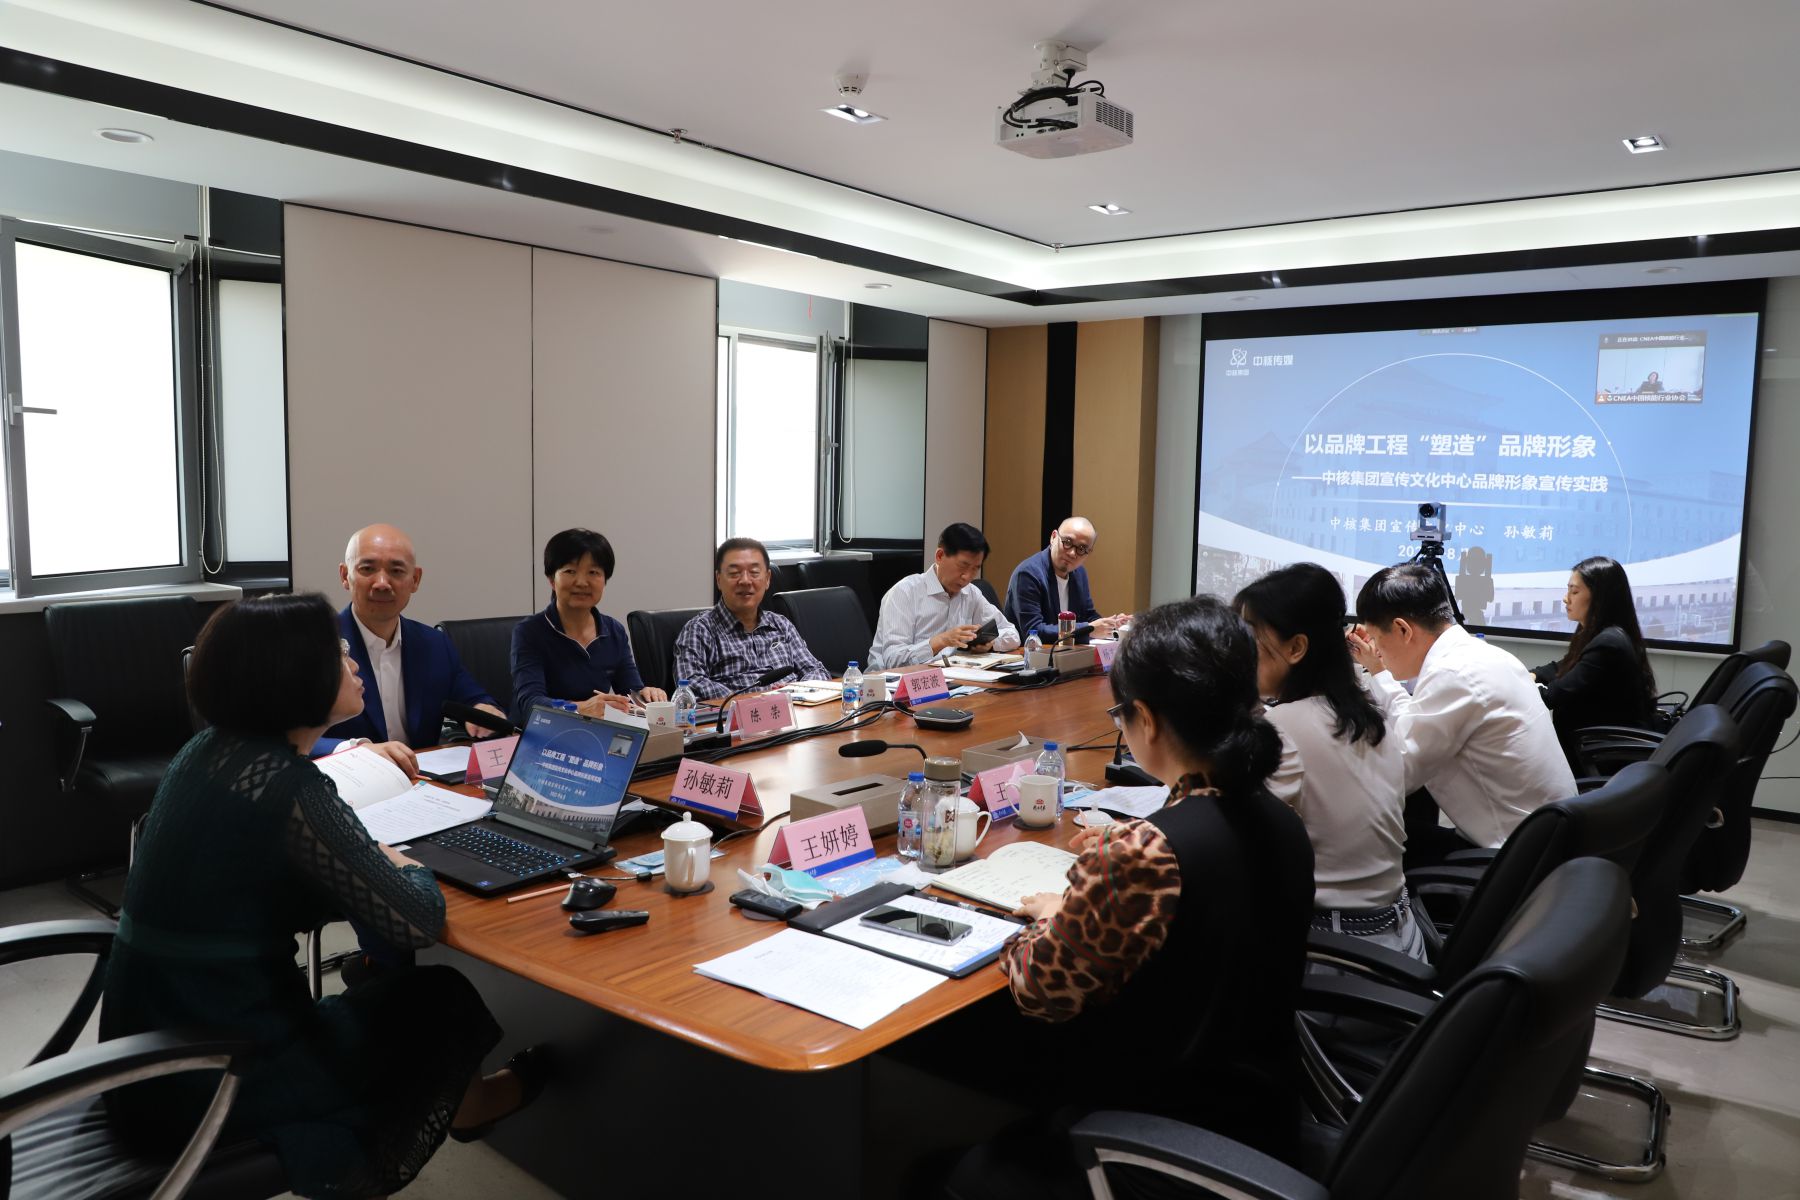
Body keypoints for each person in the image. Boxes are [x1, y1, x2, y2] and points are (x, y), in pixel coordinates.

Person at [101, 594, 547, 1199]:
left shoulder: (204, 753)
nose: (352, 660)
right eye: (337, 652)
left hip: (148, 1049)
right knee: (440, 996)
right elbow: (415, 921)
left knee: (394, 996)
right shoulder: (291, 787)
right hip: (218, 1073)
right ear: (295, 675)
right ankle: (474, 1106)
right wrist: (401, 860)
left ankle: (468, 1106)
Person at [951, 597, 1313, 1198]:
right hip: (1260, 1110)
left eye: (1120, 713)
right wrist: (1100, 882)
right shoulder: (1280, 818)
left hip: (1156, 1132)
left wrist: (1058, 915)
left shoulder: (1146, 853)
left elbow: (1040, 989)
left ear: (1145, 718)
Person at [1236, 564, 1421, 959]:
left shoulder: (1284, 727)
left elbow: (1233, 836)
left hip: (1336, 953)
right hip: (1400, 939)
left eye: (1251, 639)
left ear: (1296, 648)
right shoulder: (1367, 709)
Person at [1348, 564, 1576, 867]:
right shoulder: (1479, 654)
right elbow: (1416, 721)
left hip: (1513, 858)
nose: (1376, 649)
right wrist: (1378, 670)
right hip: (1546, 838)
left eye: (1377, 639)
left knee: (1362, 835)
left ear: (1403, 630)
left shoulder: (1453, 673)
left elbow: (1398, 773)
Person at [316, 524, 508, 768]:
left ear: (415, 580)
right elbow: (284, 738)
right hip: (349, 780)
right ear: (345, 576)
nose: (382, 583)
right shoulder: (315, 645)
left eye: (396, 571)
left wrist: (485, 711)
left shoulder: (434, 644)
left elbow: (474, 698)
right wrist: (357, 750)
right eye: (367, 569)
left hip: (422, 781)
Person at [511, 527, 667, 722]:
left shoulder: (613, 631)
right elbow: (530, 704)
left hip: (592, 732)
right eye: (570, 571)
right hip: (539, 733)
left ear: (605, 581)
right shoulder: (530, 632)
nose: (582, 582)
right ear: (551, 580)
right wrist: (580, 708)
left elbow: (630, 692)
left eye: (593, 572)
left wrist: (644, 694)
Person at [1532, 556, 1658, 765]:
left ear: (1600, 597)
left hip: (1601, 759)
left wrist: (1516, 684)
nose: (1566, 599)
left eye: (1574, 592)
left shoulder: (1609, 644)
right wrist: (1532, 675)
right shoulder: (1601, 634)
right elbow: (1563, 666)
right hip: (1591, 750)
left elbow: (1554, 695)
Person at [674, 537, 831, 699]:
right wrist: (752, 701)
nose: (745, 581)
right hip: (734, 712)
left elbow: (816, 670)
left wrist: (796, 691)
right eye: (734, 573)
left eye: (754, 573)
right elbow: (689, 683)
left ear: (767, 579)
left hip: (793, 708)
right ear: (719, 580)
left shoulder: (781, 624)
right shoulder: (700, 630)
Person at [868, 522, 1020, 669]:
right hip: (893, 682)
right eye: (963, 565)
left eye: (975, 568)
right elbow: (893, 660)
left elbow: (1012, 634)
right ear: (940, 556)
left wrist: (990, 643)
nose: (967, 577)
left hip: (952, 677)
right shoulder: (904, 593)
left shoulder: (971, 593)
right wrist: (941, 641)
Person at [1002, 517, 1130, 644]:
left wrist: (1112, 624)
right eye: (1067, 542)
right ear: (1053, 537)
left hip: (1067, 652)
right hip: (1029, 654)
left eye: (1081, 549)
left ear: (1088, 553)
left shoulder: (1079, 573)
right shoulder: (1028, 574)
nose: (1072, 553)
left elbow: (1087, 615)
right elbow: (1034, 631)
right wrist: (1088, 629)